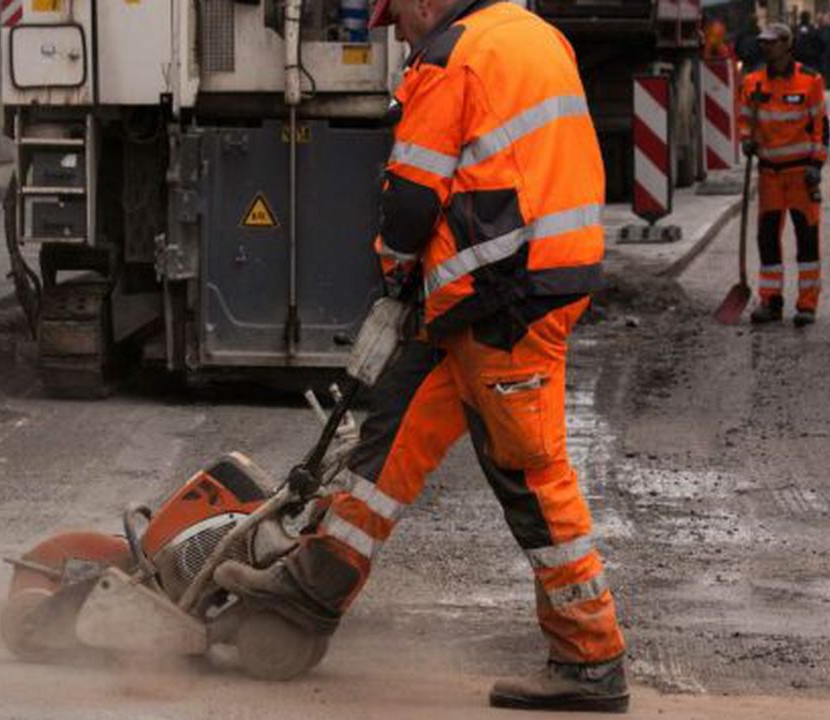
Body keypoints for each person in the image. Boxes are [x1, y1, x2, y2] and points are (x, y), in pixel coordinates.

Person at [213, 0, 627, 712]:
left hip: (503, 297)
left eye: (397, 15)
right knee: (390, 439)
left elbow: (410, 199)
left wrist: (394, 273)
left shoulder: (450, 57)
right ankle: (310, 591)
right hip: (499, 288)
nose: (398, 32)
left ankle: (591, 659)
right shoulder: (536, 37)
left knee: (528, 475)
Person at [738, 23, 829, 327]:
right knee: (767, 239)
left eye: (772, 42)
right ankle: (771, 301)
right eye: (763, 42)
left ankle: (807, 305)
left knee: (807, 239)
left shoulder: (811, 80)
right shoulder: (752, 81)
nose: (765, 47)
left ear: (787, 45)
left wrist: (817, 164)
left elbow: (820, 126)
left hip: (801, 173)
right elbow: (745, 118)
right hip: (769, 174)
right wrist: (746, 138)